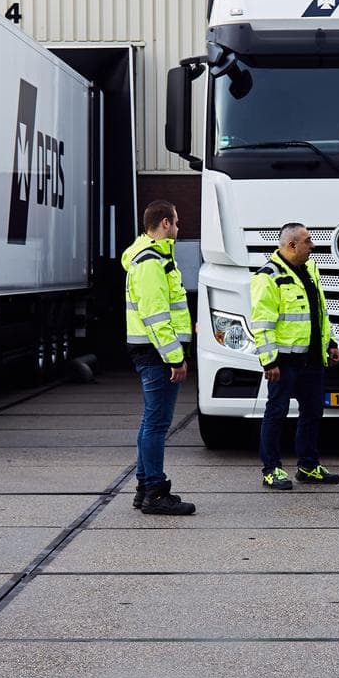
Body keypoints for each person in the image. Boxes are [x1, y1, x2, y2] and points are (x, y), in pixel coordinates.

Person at [250, 222, 339, 490]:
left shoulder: (311, 271)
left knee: (313, 412)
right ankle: (271, 469)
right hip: (285, 362)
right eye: (308, 241)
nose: (313, 245)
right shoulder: (267, 277)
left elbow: (320, 313)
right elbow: (262, 323)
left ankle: (308, 465)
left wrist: (331, 343)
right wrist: (269, 361)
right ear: (292, 245)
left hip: (313, 359)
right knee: (276, 413)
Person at [122, 200, 196, 516]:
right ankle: (154, 491)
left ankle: (144, 488)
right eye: (176, 223)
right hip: (157, 354)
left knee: (151, 421)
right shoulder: (151, 263)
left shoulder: (154, 259)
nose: (179, 228)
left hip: (155, 352)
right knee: (156, 423)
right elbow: (156, 317)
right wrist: (175, 358)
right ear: (165, 223)